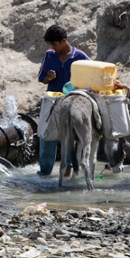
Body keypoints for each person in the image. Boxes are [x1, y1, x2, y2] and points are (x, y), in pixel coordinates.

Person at [37, 25, 90, 176]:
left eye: (54, 44)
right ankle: (44, 173)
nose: (52, 48)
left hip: (72, 105)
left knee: (70, 140)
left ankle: (68, 174)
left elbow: (92, 73)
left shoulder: (79, 56)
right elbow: (42, 78)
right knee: (47, 137)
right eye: (51, 45)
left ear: (63, 41)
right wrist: (49, 78)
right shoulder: (49, 55)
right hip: (52, 104)